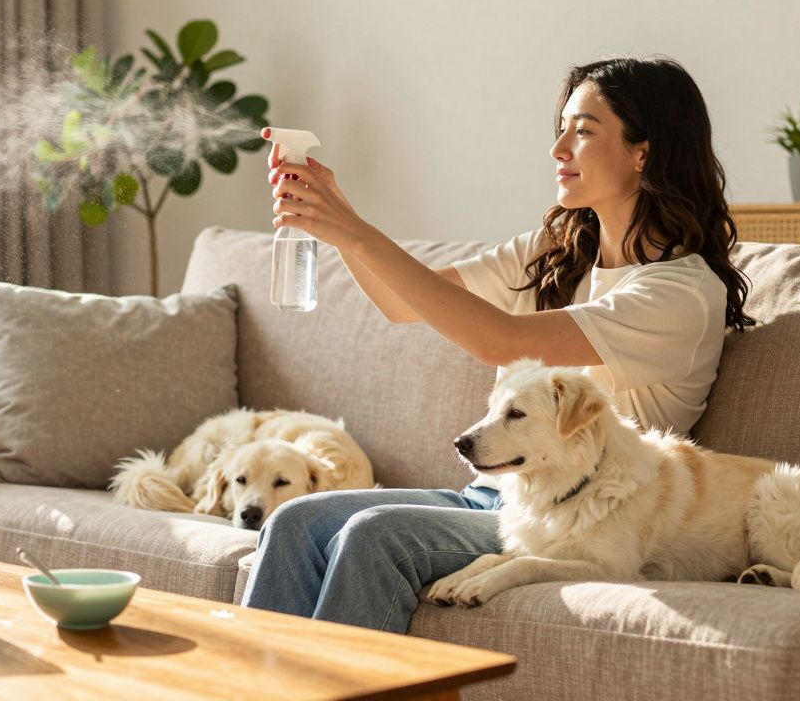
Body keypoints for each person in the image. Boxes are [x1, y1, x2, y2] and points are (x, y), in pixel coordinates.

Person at [239, 55, 756, 634]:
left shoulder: (679, 294)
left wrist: (354, 231)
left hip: (579, 517)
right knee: (294, 523)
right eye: (561, 128)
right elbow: (401, 302)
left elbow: (499, 341)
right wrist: (335, 222)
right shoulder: (557, 250)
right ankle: (252, 677)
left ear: (644, 152)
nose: (558, 149)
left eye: (583, 131)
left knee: (373, 535)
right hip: (494, 496)